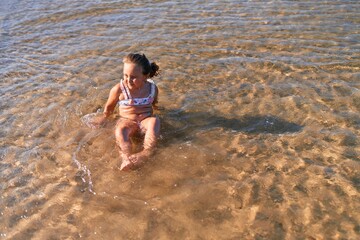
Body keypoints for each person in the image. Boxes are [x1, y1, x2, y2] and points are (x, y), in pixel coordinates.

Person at [101, 53, 161, 171]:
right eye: (125, 75)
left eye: (133, 77)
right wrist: (103, 118)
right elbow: (109, 108)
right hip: (127, 120)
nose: (128, 80)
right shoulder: (119, 89)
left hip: (145, 120)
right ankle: (126, 157)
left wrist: (157, 109)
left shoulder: (152, 89)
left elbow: (153, 103)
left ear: (145, 76)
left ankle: (146, 152)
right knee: (120, 129)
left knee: (155, 121)